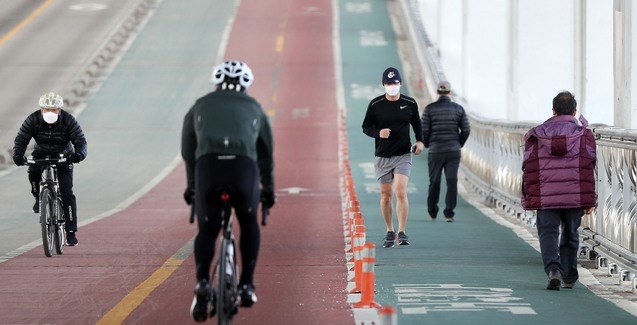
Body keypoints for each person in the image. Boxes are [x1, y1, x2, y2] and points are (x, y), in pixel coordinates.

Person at [181, 60, 275, 322]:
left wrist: (192, 186)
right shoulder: (255, 108)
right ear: (246, 85)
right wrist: (268, 190)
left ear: (216, 82)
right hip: (243, 170)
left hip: (208, 169)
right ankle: (246, 284)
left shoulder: (200, 105)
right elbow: (266, 153)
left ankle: (202, 282)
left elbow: (188, 151)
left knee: (208, 230)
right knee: (248, 222)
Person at [521, 91, 596, 290]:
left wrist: (530, 196)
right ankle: (569, 276)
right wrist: (590, 200)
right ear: (574, 110)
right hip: (575, 193)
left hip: (545, 195)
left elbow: (528, 166)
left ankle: (553, 270)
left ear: (553, 111)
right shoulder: (584, 135)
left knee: (548, 233)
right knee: (571, 232)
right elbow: (588, 167)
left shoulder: (536, 134)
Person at [12, 91, 87, 246]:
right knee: (33, 171)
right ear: (41, 110)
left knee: (67, 193)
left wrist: (79, 154)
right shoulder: (32, 119)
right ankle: (37, 197)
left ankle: (70, 232)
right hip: (41, 152)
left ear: (59, 110)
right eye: (47, 109)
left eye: (54, 110)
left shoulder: (68, 120)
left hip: (64, 154)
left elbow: (80, 140)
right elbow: (21, 139)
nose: (50, 113)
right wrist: (18, 155)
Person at [362, 67, 424, 248]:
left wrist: (420, 141)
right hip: (382, 156)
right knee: (386, 195)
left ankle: (402, 232)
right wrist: (378, 133)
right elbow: (366, 127)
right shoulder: (375, 105)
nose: (392, 86)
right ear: (383, 85)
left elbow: (417, 123)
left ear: (400, 84)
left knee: (400, 191)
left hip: (403, 154)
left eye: (395, 83)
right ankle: (390, 230)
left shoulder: (410, 103)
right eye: (388, 83)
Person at [421, 81, 470, 222]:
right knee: (451, 180)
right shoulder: (459, 109)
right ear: (450, 92)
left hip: (435, 150)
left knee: (434, 181)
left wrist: (429, 144)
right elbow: (466, 129)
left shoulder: (429, 109)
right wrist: (458, 143)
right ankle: (449, 213)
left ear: (437, 92)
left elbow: (424, 130)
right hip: (453, 150)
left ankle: (432, 211)